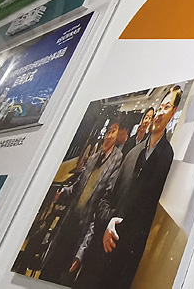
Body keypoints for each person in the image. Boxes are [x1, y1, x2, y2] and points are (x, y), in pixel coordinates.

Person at [76, 86, 181, 288]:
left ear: (173, 112)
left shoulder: (167, 157)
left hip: (124, 258)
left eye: (166, 107)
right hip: (101, 247)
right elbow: (106, 197)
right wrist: (108, 222)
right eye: (160, 107)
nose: (160, 112)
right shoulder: (132, 153)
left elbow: (146, 211)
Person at [40, 120, 124, 284]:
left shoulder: (117, 160)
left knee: (64, 277)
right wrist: (62, 192)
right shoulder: (92, 158)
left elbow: (101, 204)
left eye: (113, 131)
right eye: (108, 132)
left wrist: (81, 252)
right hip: (68, 224)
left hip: (84, 231)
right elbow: (77, 186)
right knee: (49, 268)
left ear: (119, 135)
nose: (108, 136)